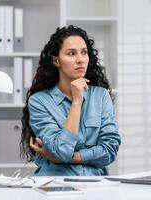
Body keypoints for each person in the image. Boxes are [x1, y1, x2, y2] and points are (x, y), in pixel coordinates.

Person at [20, 25, 121, 176]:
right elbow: (62, 150)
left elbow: (109, 151)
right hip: (54, 184)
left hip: (95, 185)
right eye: (71, 53)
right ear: (56, 60)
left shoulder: (101, 96)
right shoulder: (39, 101)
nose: (80, 60)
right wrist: (76, 102)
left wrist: (65, 158)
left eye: (84, 52)